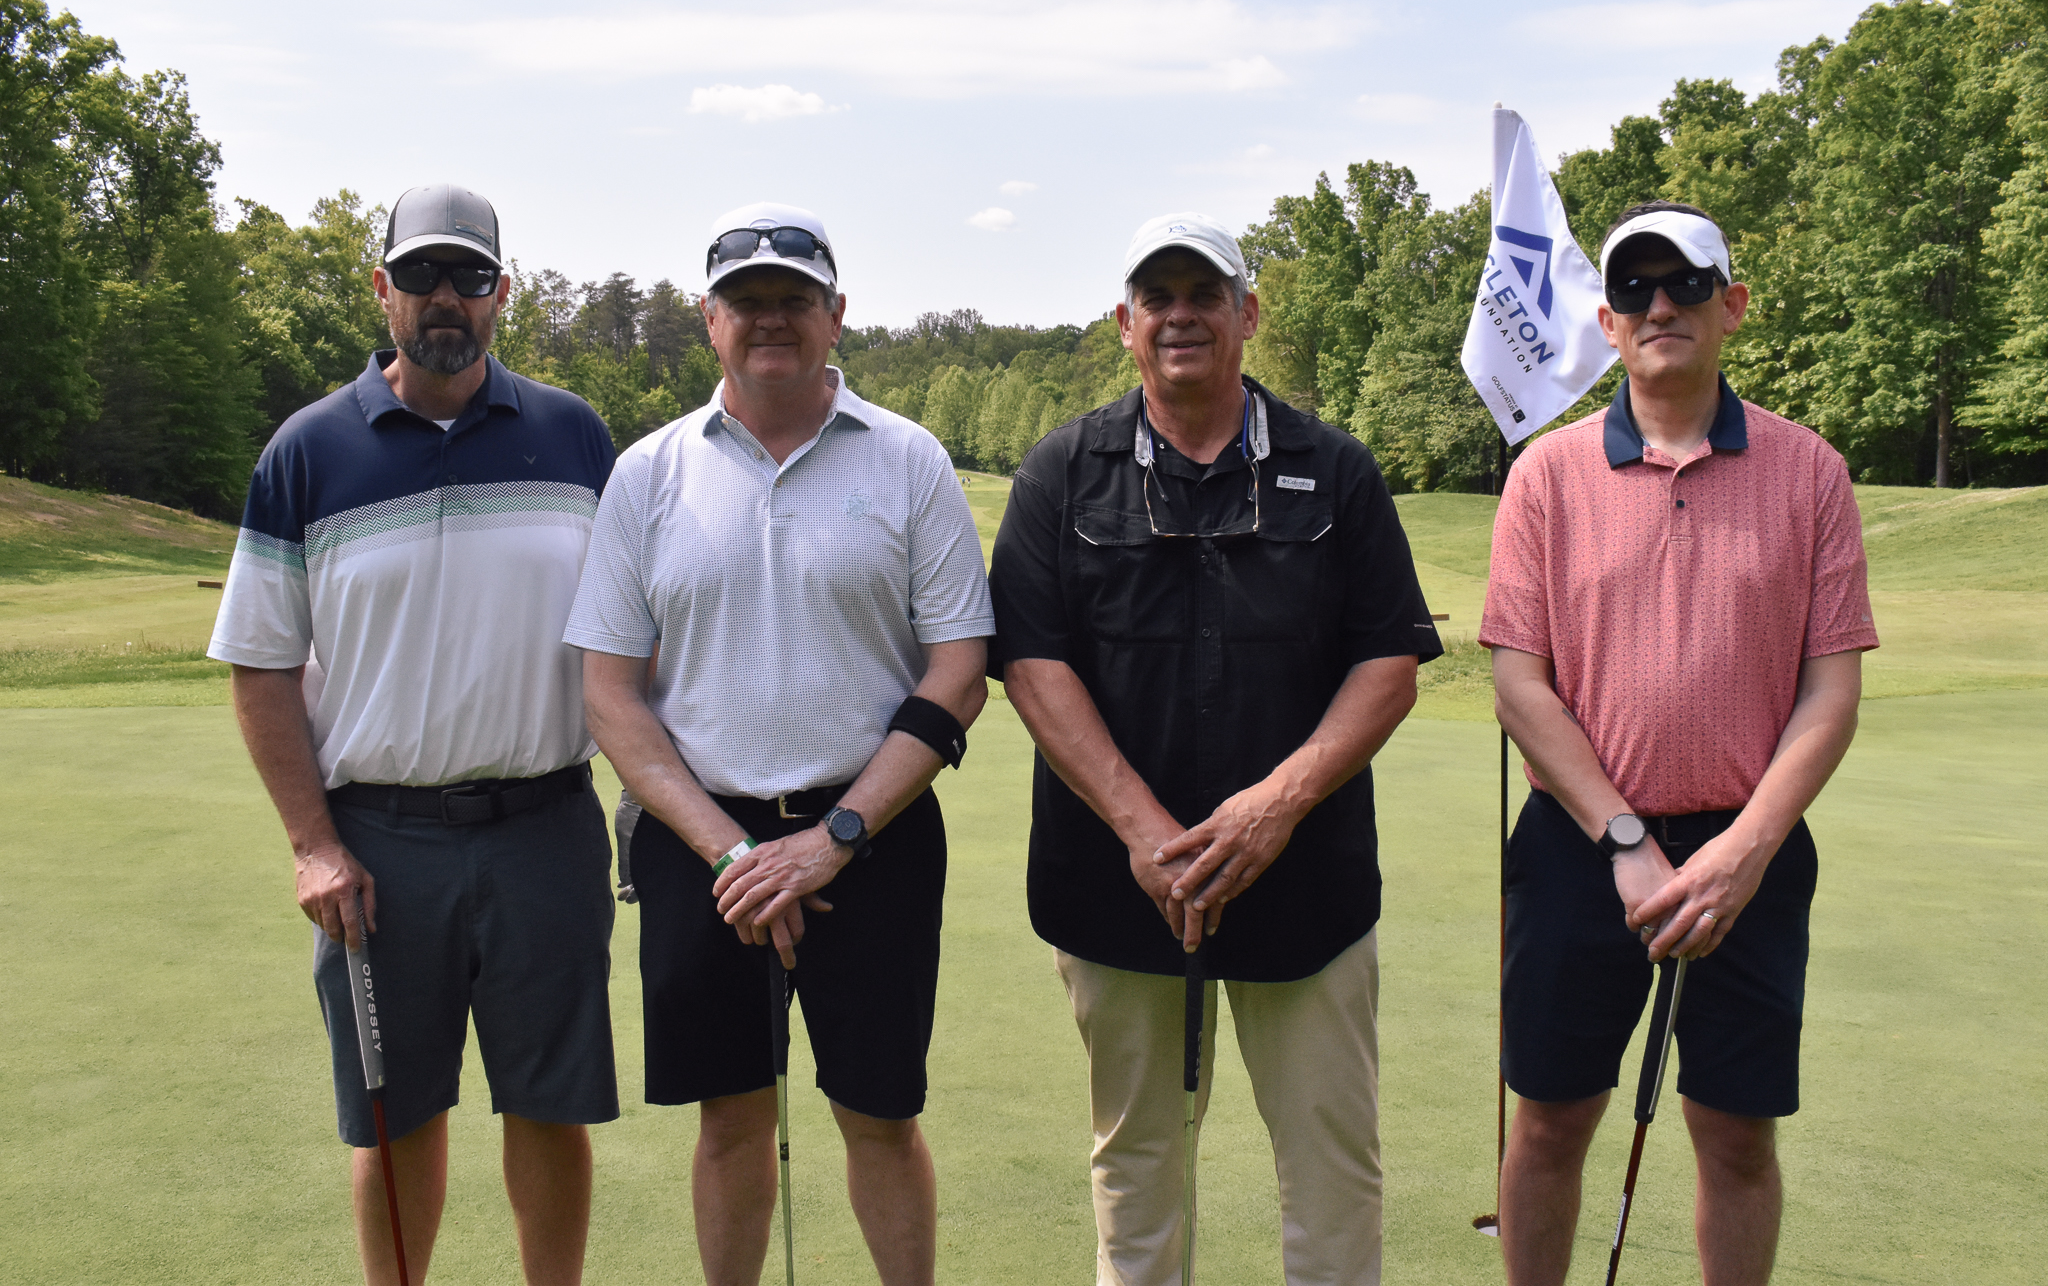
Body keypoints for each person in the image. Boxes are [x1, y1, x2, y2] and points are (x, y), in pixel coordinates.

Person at [988, 212, 1443, 1286]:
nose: (1180, 316)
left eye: (1206, 295)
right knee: (1137, 1162)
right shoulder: (1063, 471)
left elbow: (1387, 662)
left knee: (1331, 1170)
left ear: (1249, 314)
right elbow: (1033, 665)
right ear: (1125, 323)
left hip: (1307, 884)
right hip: (1116, 885)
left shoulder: (1333, 468)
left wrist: (1269, 808)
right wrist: (1146, 831)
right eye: (1159, 297)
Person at [568, 202, 992, 1286]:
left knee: (880, 1116)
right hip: (701, 846)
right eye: (745, 301)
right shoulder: (649, 472)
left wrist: (834, 837)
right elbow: (609, 694)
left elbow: (957, 669)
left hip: (874, 835)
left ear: (835, 314)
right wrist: (733, 855)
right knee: (730, 1119)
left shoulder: (908, 460)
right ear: (709, 320)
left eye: (793, 299)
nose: (770, 319)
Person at [207, 183, 620, 1285]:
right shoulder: (308, 451)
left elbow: (634, 639)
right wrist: (312, 844)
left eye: (470, 276)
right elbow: (259, 662)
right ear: (381, 288)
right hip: (379, 846)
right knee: (396, 1116)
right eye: (422, 275)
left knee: (550, 1107)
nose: (447, 297)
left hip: (546, 828)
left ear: (502, 292)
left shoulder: (575, 436)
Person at [1481, 201, 1879, 1285]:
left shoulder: (1809, 471)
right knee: (1549, 1121)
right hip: (1577, 847)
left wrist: (1744, 849)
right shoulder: (1546, 475)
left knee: (1736, 1135)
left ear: (1730, 305)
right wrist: (1623, 841)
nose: (1660, 305)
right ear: (1606, 322)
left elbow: (1830, 690)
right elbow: (1519, 683)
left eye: (1686, 284)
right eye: (1635, 289)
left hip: (1748, 849)